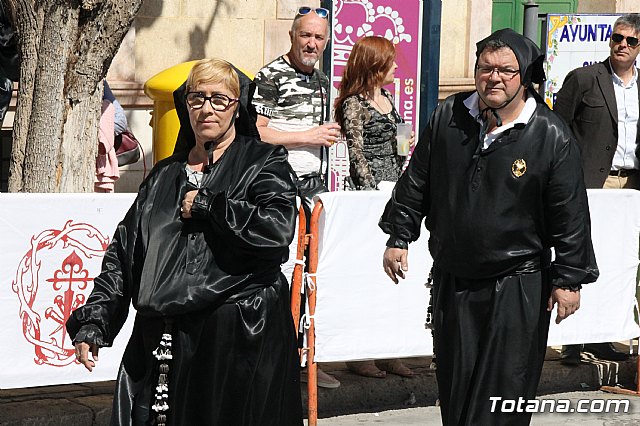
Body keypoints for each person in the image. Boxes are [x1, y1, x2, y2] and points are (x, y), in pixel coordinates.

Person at [379, 29, 599, 425]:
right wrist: (400, 236)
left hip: (517, 286)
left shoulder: (550, 134)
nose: (493, 78)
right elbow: (418, 181)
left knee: (503, 395)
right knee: (457, 391)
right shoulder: (449, 116)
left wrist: (569, 279)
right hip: (455, 280)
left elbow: (570, 214)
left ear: (524, 76)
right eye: (485, 68)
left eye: (506, 70)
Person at [67, 58, 303, 426]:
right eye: (197, 98)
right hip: (164, 340)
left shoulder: (262, 162)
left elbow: (276, 229)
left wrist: (212, 206)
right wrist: (95, 321)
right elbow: (125, 254)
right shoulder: (163, 175)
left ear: (237, 106)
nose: (207, 108)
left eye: (220, 99)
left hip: (239, 339)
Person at [253, 5, 341, 389]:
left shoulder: (323, 79)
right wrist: (306, 136)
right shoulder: (270, 76)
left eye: (319, 37)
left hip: (314, 190)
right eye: (305, 35)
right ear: (292, 36)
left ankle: (306, 360)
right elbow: (256, 133)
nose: (312, 43)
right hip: (277, 189)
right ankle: (274, 358)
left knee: (310, 276)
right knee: (280, 273)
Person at [554, 13, 640, 366]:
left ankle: (605, 335)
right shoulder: (585, 79)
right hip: (593, 183)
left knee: (622, 262)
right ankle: (574, 340)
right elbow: (559, 127)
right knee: (585, 257)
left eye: (631, 41)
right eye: (617, 38)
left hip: (633, 183)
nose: (622, 45)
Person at [333, 35, 414, 379]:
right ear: (375, 66)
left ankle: (389, 351)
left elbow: (398, 143)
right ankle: (360, 353)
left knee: (393, 278)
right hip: (371, 196)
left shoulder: (388, 100)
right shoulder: (354, 104)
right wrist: (373, 197)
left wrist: (405, 144)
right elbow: (356, 155)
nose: (396, 67)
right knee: (367, 276)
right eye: (390, 62)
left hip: (394, 188)